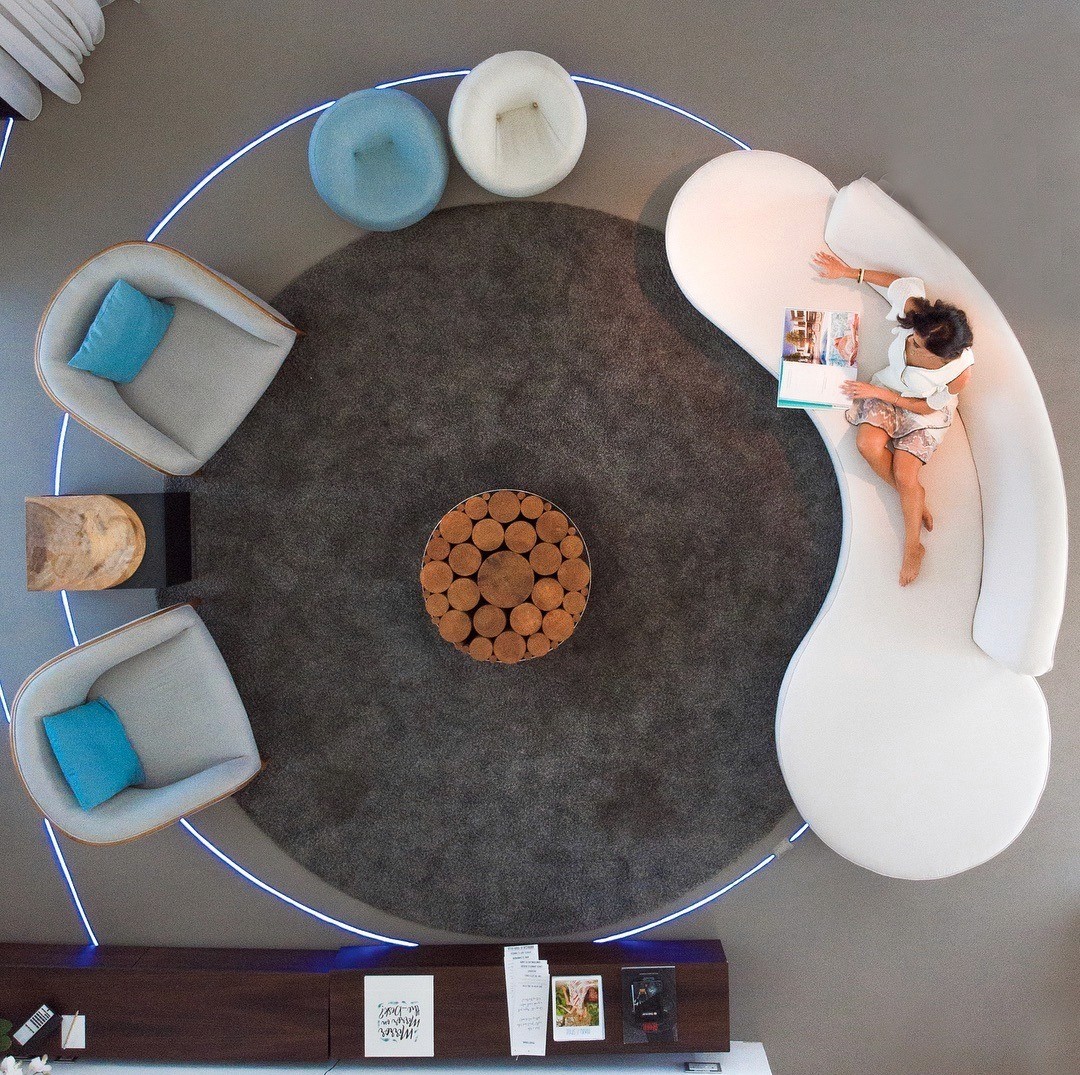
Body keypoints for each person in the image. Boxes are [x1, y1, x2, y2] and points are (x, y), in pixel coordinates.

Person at [811, 247, 974, 586]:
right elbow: (897, 284)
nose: (910, 344)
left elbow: (927, 407)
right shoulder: (922, 319)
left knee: (904, 471)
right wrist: (847, 272)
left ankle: (912, 545)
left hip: (923, 413)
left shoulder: (958, 372)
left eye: (918, 345)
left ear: (942, 356)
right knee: (868, 444)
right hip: (887, 391)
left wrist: (878, 394)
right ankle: (911, 497)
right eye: (913, 338)